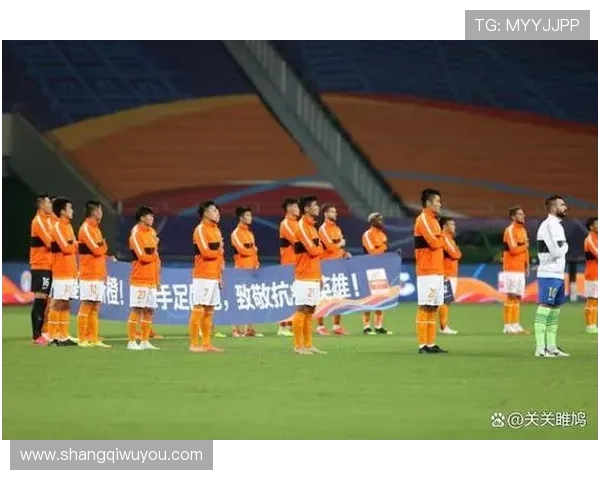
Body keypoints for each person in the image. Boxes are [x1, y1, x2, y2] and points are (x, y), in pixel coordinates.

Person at [534, 195, 570, 357]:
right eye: (562, 205)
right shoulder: (549, 225)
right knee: (545, 307)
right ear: (554, 208)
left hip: (557, 274)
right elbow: (556, 252)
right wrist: (566, 246)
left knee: (554, 310)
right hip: (549, 273)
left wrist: (562, 247)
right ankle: (540, 348)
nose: (565, 207)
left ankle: (552, 347)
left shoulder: (556, 226)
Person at [290, 195, 326, 355]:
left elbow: (318, 252)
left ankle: (308, 345)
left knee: (310, 310)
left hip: (314, 274)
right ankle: (298, 346)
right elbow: (313, 251)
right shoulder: (302, 227)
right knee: (302, 309)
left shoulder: (312, 227)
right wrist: (320, 249)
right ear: (306, 209)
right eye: (315, 205)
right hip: (304, 275)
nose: (317, 208)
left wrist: (320, 276)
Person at [414, 189, 447, 354]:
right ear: (428, 203)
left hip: (437, 269)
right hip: (427, 270)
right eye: (437, 201)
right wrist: (442, 238)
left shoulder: (434, 220)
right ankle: (422, 345)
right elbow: (434, 243)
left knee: (433, 307)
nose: (440, 204)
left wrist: (440, 239)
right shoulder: (423, 219)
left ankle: (431, 343)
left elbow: (439, 241)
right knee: (425, 306)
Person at [188, 201, 225, 353]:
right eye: (214, 211)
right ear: (205, 213)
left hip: (214, 276)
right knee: (199, 308)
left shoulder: (216, 230)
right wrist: (219, 250)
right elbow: (206, 252)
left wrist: (220, 276)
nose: (218, 213)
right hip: (203, 275)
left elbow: (219, 257)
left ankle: (206, 343)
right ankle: (193, 344)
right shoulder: (200, 229)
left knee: (209, 310)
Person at [76, 200, 111, 348]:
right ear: (95, 212)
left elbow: (100, 251)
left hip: (97, 273)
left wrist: (104, 272)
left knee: (96, 306)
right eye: (100, 210)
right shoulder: (85, 228)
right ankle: (82, 338)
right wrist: (103, 246)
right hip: (89, 273)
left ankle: (93, 338)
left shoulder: (96, 228)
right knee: (87, 304)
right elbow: (97, 250)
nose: (102, 213)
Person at [127, 205, 160, 351]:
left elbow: (155, 256)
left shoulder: (152, 232)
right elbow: (142, 257)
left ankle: (145, 341)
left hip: (151, 278)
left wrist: (157, 277)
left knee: (149, 310)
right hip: (139, 278)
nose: (152, 218)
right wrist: (153, 255)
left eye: (152, 216)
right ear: (142, 218)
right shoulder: (135, 233)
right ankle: (131, 341)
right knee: (137, 310)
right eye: (149, 216)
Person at [47, 197, 78, 346]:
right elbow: (66, 248)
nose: (72, 211)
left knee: (66, 303)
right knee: (57, 303)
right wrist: (73, 244)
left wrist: (73, 244)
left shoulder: (68, 226)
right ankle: (53, 336)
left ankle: (63, 336)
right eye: (70, 208)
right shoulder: (58, 227)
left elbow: (72, 245)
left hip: (70, 270)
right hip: (61, 272)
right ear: (62, 211)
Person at [316, 204, 351, 335]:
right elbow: (330, 247)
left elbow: (338, 248)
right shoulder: (322, 229)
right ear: (325, 214)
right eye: (332, 212)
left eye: (335, 211)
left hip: (338, 266)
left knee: (339, 296)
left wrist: (344, 253)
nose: (335, 214)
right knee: (323, 296)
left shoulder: (337, 228)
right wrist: (341, 243)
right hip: (326, 266)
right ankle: (320, 326)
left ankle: (336, 326)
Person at [231, 206, 263, 338]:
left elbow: (253, 253)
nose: (250, 218)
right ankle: (235, 329)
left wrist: (256, 263)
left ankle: (249, 329)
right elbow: (242, 250)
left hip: (251, 271)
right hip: (240, 272)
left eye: (251, 215)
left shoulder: (250, 234)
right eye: (248, 216)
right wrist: (253, 250)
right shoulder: (236, 233)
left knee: (250, 300)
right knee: (239, 301)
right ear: (241, 218)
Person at [29, 193, 55, 345]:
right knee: (40, 299)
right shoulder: (38, 221)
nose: (51, 205)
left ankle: (45, 332)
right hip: (40, 265)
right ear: (41, 205)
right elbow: (50, 242)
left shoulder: (50, 219)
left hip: (50, 265)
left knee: (47, 301)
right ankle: (36, 335)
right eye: (48, 203)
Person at [361, 212, 392, 335]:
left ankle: (379, 326)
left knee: (381, 298)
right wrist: (383, 247)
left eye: (382, 219)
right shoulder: (367, 235)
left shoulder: (383, 235)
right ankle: (366, 327)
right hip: (369, 269)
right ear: (372, 221)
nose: (381, 222)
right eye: (379, 219)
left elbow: (386, 252)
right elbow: (372, 252)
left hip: (381, 269)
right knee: (369, 299)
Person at [501, 206, 530, 335]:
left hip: (520, 269)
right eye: (520, 214)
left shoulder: (523, 230)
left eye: (523, 214)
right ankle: (507, 325)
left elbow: (525, 250)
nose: (523, 216)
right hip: (511, 268)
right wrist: (525, 246)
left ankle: (515, 324)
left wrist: (526, 264)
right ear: (513, 217)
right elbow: (513, 250)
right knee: (511, 295)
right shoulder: (510, 230)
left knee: (518, 297)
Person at [278, 198, 300, 337]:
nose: (298, 209)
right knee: (287, 296)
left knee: (296, 296)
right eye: (296, 207)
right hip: (288, 264)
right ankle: (282, 326)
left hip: (298, 264)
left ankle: (291, 325)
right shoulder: (285, 223)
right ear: (289, 208)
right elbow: (297, 240)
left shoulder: (297, 223)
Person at [438, 217, 460, 335]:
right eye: (451, 224)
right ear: (445, 226)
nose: (454, 227)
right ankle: (443, 327)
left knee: (447, 301)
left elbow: (456, 253)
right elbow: (455, 254)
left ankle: (444, 326)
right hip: (446, 273)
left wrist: (457, 252)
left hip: (451, 272)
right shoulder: (444, 237)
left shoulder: (450, 238)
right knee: (445, 300)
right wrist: (457, 252)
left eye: (454, 224)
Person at [583, 217, 598, 334]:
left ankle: (593, 324)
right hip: (592, 273)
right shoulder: (590, 239)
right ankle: (590, 325)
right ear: (591, 227)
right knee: (591, 300)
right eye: (597, 224)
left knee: (596, 300)